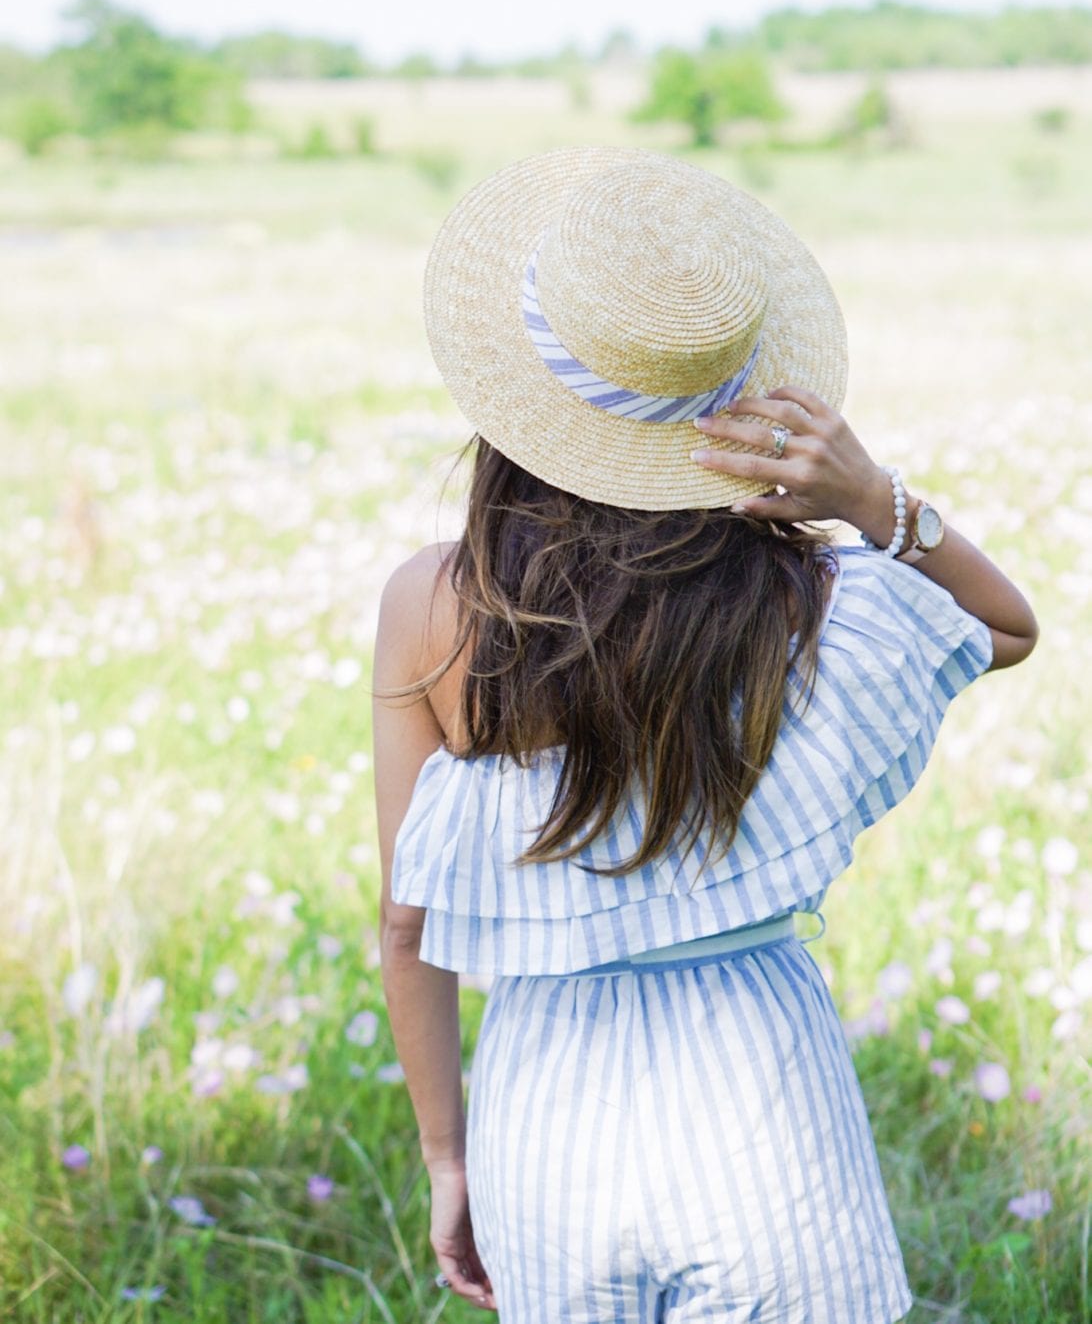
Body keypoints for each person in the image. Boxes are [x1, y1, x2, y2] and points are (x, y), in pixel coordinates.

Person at [371, 147, 1038, 1322]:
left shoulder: (433, 601)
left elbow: (407, 918)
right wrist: (874, 497)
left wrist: (447, 1158)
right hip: (764, 1098)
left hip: (547, 1111)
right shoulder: (803, 592)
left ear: (515, 390)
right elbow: (1003, 626)